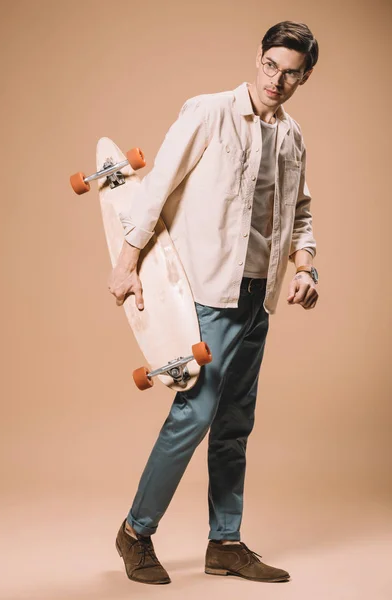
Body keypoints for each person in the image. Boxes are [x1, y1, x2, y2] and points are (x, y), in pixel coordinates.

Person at [108, 20, 319, 585]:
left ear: (304, 78)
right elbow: (155, 190)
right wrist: (126, 263)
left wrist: (306, 268)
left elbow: (299, 213)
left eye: (291, 74)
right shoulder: (207, 112)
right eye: (271, 66)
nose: (276, 80)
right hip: (206, 293)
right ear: (258, 58)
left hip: (258, 298)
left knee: (234, 423)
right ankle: (135, 532)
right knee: (194, 412)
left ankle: (225, 542)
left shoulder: (293, 136)